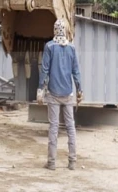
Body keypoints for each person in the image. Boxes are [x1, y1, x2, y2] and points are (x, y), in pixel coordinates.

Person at [37, 18, 82, 171]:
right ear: (66, 30)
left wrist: (40, 90)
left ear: (54, 30)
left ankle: (51, 163)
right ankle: (72, 162)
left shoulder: (49, 47)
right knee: (71, 127)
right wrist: (79, 90)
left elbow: (44, 70)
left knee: (54, 127)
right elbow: (76, 71)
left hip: (53, 94)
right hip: (68, 94)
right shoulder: (72, 48)